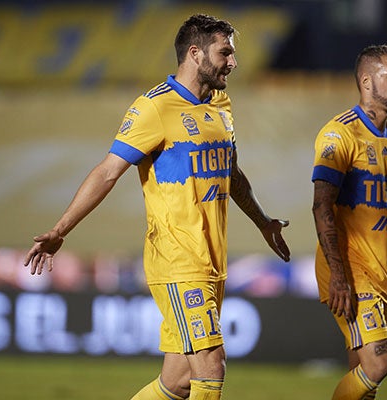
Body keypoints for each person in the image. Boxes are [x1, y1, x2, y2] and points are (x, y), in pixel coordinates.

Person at [24, 14, 290, 400]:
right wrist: (61, 229)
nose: (233, 61)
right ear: (195, 53)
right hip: (177, 260)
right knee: (211, 369)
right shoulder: (154, 108)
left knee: (178, 382)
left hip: (212, 261)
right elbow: (107, 172)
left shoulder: (221, 105)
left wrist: (263, 222)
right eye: (225, 52)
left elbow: (230, 172)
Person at [311, 44, 387, 400]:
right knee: (378, 364)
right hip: (352, 273)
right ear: (367, 81)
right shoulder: (339, 134)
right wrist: (338, 276)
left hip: (384, 276)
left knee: (364, 382)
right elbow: (321, 207)